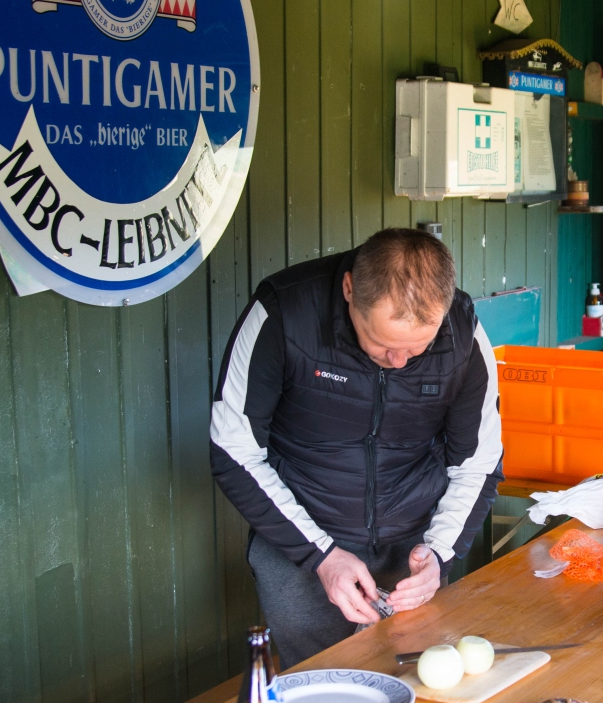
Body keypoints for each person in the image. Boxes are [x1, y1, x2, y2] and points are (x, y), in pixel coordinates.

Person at [209, 228, 503, 667]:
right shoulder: (283, 311)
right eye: (382, 345)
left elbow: (477, 462)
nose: (399, 362)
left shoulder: (463, 333)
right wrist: (321, 556)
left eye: (417, 350)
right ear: (349, 289)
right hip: (299, 544)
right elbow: (233, 451)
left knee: (419, 683)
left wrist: (439, 553)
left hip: (413, 545)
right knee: (321, 684)